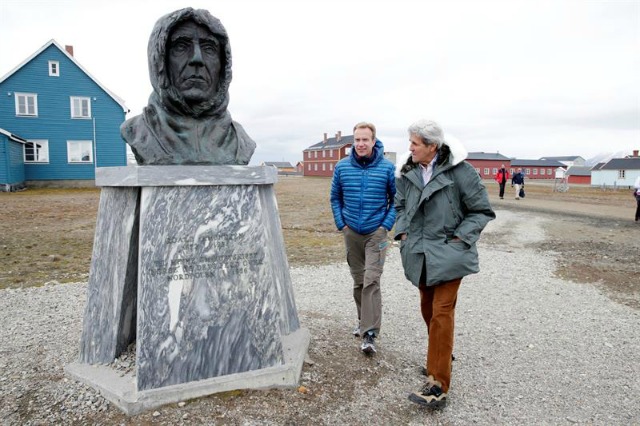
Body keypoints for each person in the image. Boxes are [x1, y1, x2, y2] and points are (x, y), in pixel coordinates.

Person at [394, 119, 495, 408]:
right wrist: (402, 231)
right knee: (427, 308)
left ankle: (437, 383)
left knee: (441, 312)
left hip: (450, 254)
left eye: (415, 143)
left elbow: (481, 211)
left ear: (432, 146)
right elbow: (400, 205)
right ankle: (441, 353)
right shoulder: (407, 171)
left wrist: (461, 239)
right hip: (419, 253)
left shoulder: (462, 172)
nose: (410, 148)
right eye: (410, 142)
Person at [121, 8, 255, 165]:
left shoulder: (240, 141)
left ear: (223, 66)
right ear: (159, 60)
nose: (197, 58)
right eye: (181, 47)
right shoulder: (138, 132)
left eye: (209, 49)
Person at [330, 122, 396, 355]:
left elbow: (396, 201)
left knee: (371, 280)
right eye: (357, 140)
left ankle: (370, 333)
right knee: (358, 280)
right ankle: (362, 321)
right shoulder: (342, 167)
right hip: (352, 232)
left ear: (373, 141)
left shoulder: (387, 168)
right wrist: (342, 223)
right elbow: (335, 198)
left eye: (365, 140)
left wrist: (385, 225)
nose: (360, 144)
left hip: (376, 233)